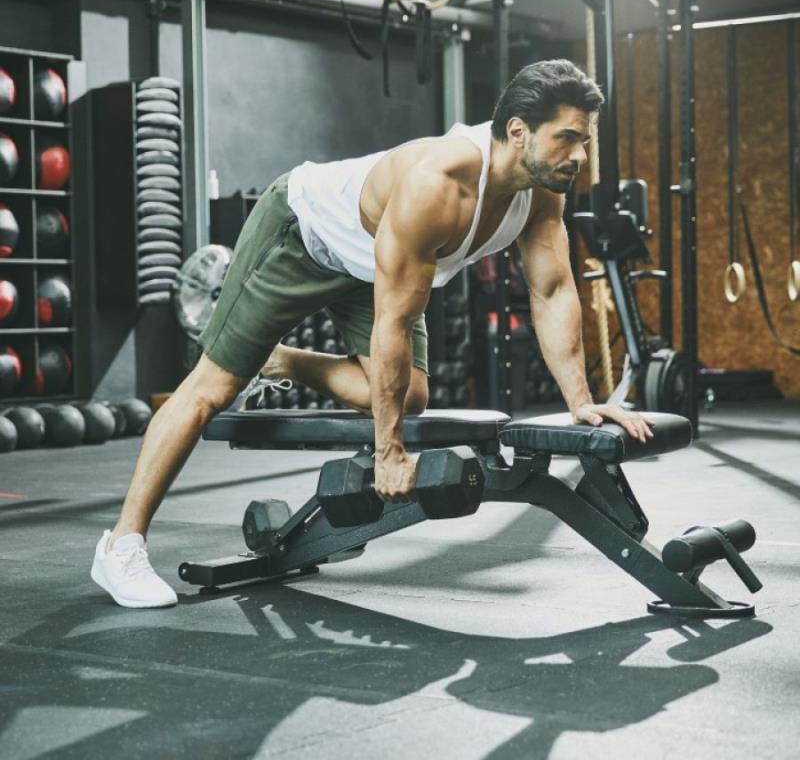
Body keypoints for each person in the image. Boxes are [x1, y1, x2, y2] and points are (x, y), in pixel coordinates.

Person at [91, 59, 655, 608]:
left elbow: (552, 291)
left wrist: (581, 402)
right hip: (304, 238)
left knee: (410, 396)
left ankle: (284, 361)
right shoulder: (439, 183)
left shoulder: (542, 191)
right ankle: (122, 546)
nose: (580, 156)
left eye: (584, 141)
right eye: (567, 139)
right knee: (210, 390)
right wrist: (390, 452)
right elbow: (395, 322)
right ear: (517, 131)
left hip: (372, 266)